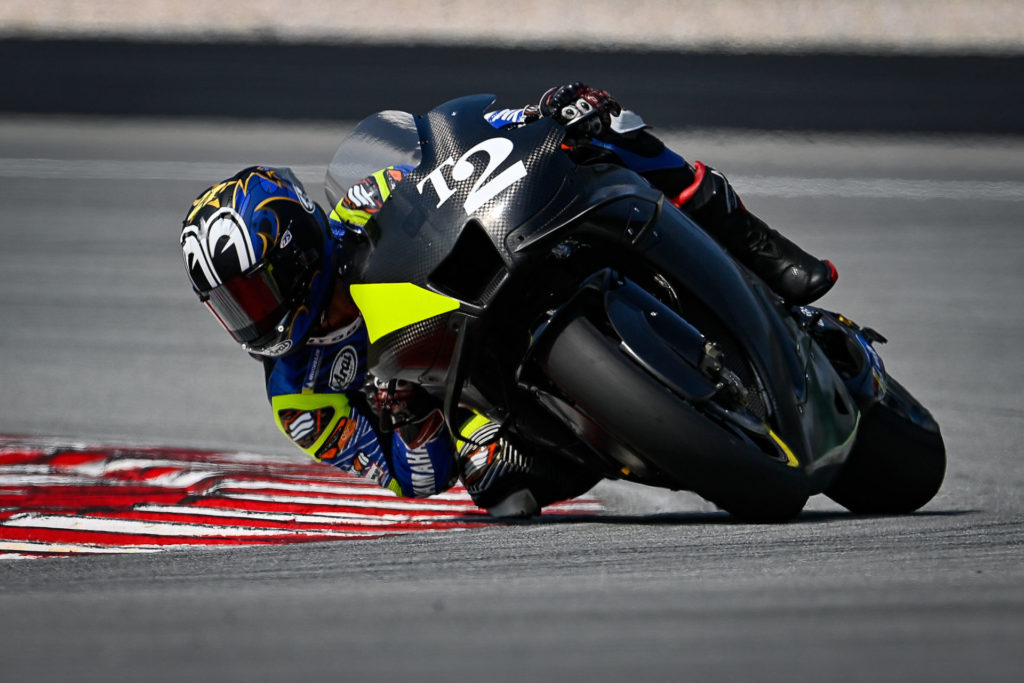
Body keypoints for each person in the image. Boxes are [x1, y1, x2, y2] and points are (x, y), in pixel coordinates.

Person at [178, 83, 837, 517]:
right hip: (482, 395)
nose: (253, 315)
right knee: (500, 489)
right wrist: (411, 419)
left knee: (600, 125)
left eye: (254, 290)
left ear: (297, 250)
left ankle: (760, 249)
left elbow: (459, 155)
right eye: (232, 304)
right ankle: (654, 442)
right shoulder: (299, 398)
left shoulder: (361, 203)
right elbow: (414, 478)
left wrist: (536, 117)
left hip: (505, 264)